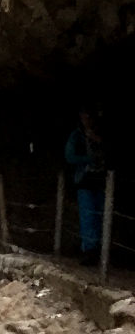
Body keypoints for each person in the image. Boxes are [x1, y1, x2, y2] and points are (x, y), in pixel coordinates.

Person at [66, 108, 109, 265]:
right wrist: (88, 159)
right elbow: (70, 156)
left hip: (101, 180)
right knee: (88, 216)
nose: (87, 119)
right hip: (85, 180)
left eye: (89, 116)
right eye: (84, 116)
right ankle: (89, 250)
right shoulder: (77, 135)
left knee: (100, 216)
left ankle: (99, 250)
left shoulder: (101, 134)